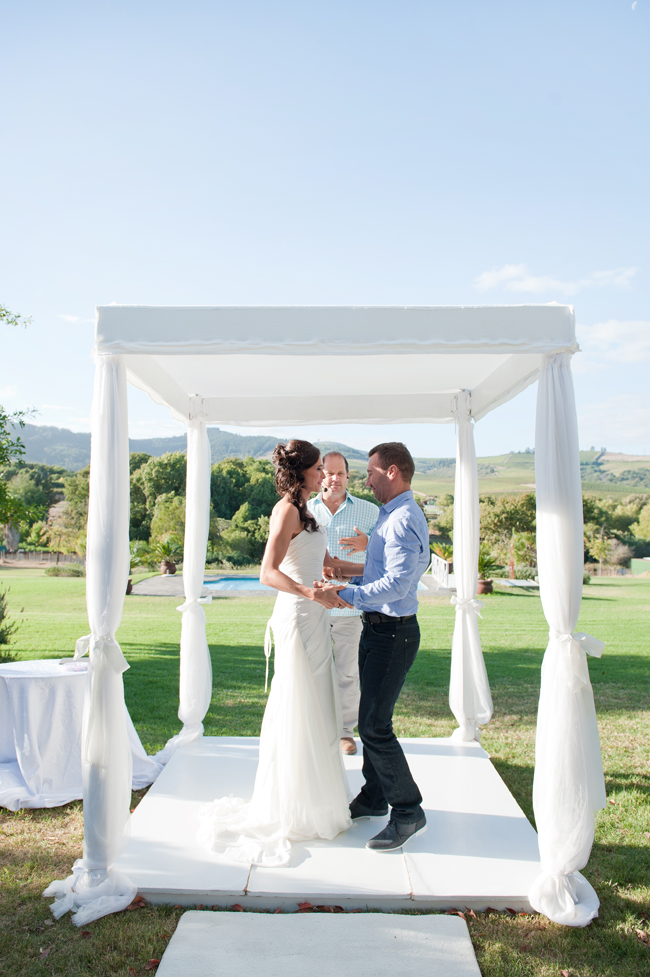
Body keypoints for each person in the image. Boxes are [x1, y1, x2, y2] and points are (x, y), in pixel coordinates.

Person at [200, 440, 353, 867]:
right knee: (297, 703)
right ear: (302, 471)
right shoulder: (285, 510)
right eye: (320, 468)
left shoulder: (308, 512)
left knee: (320, 703)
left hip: (316, 615)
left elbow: (329, 564)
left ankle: (319, 799)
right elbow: (267, 573)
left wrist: (375, 567)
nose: (325, 474)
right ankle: (293, 805)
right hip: (296, 617)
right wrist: (308, 592)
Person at [320, 442, 430, 853]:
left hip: (394, 633)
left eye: (369, 472)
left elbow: (399, 584)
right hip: (379, 629)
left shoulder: (401, 518)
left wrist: (346, 594)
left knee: (374, 727)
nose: (364, 480)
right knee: (370, 718)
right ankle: (373, 797)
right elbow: (383, 568)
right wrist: (343, 572)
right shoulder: (394, 513)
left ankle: (407, 811)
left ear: (393, 472)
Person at [307, 452, 379, 756]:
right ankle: (315, 729)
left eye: (340, 473)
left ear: (349, 476)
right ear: (320, 475)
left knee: (348, 673)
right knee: (312, 671)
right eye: (328, 473)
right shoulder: (305, 511)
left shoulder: (370, 511)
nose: (333, 479)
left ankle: (346, 732)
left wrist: (369, 545)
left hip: (351, 607)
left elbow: (389, 557)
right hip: (313, 606)